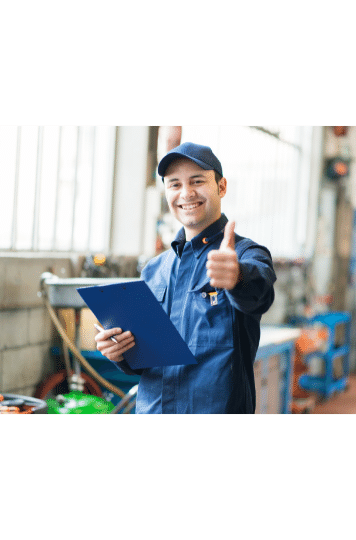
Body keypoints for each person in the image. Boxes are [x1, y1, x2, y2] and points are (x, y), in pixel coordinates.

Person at [95, 142, 276, 413]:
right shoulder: (154, 270)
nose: (186, 193)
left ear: (221, 186)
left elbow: (259, 292)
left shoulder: (244, 254)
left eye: (197, 181)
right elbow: (143, 360)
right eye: (174, 184)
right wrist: (118, 352)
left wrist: (238, 277)